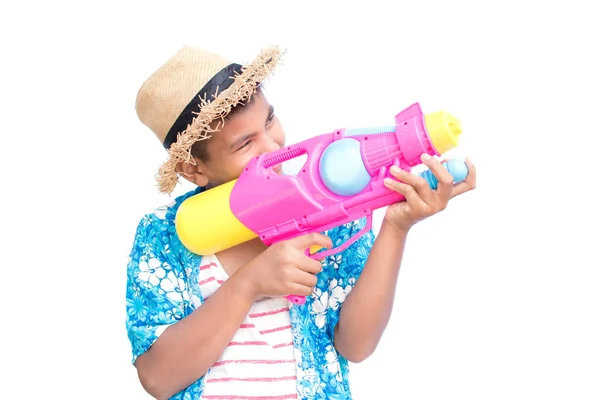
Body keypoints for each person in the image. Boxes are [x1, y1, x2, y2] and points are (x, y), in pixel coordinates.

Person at [125, 45, 476, 400]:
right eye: (245, 143)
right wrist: (249, 284)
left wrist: (396, 226)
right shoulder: (163, 234)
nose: (273, 146)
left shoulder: (328, 202)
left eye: (269, 121)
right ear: (193, 168)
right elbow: (159, 378)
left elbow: (357, 345)